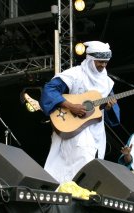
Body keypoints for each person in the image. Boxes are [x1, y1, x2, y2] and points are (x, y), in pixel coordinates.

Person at [40, 41, 120, 183]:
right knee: (78, 162)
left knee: (91, 167)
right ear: (89, 59)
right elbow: (49, 90)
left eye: (106, 62)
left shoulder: (107, 83)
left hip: (96, 131)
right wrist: (71, 106)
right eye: (99, 61)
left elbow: (108, 113)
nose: (103, 65)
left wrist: (107, 108)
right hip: (73, 127)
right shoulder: (75, 74)